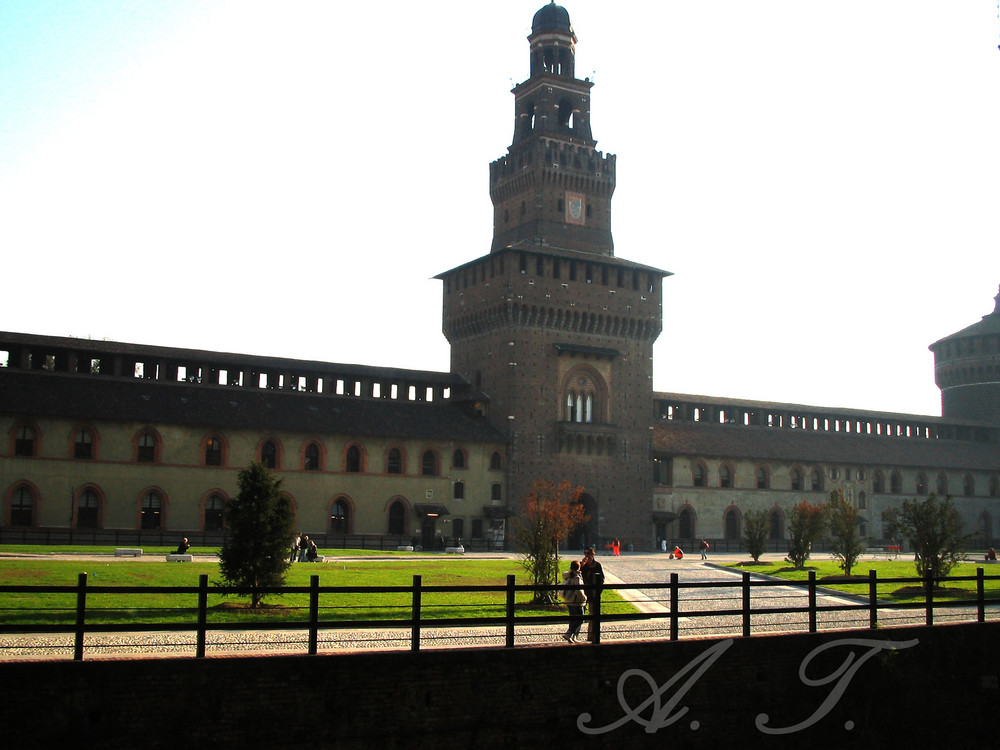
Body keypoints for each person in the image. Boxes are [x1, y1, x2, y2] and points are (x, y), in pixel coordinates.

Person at [580, 547, 605, 643]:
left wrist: (598, 591)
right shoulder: (583, 566)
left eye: (589, 553)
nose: (587, 556)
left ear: (593, 554)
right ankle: (573, 635)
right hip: (583, 593)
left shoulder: (597, 565)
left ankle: (592, 636)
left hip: (593, 594)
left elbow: (601, 579)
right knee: (579, 615)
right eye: (585, 553)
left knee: (593, 615)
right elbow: (576, 575)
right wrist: (581, 566)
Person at [561, 560, 587, 643]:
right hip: (576, 601)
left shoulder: (568, 575)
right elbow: (578, 590)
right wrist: (584, 598)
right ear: (578, 568)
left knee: (572, 618)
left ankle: (572, 637)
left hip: (569, 600)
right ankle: (569, 633)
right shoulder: (577, 577)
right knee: (580, 618)